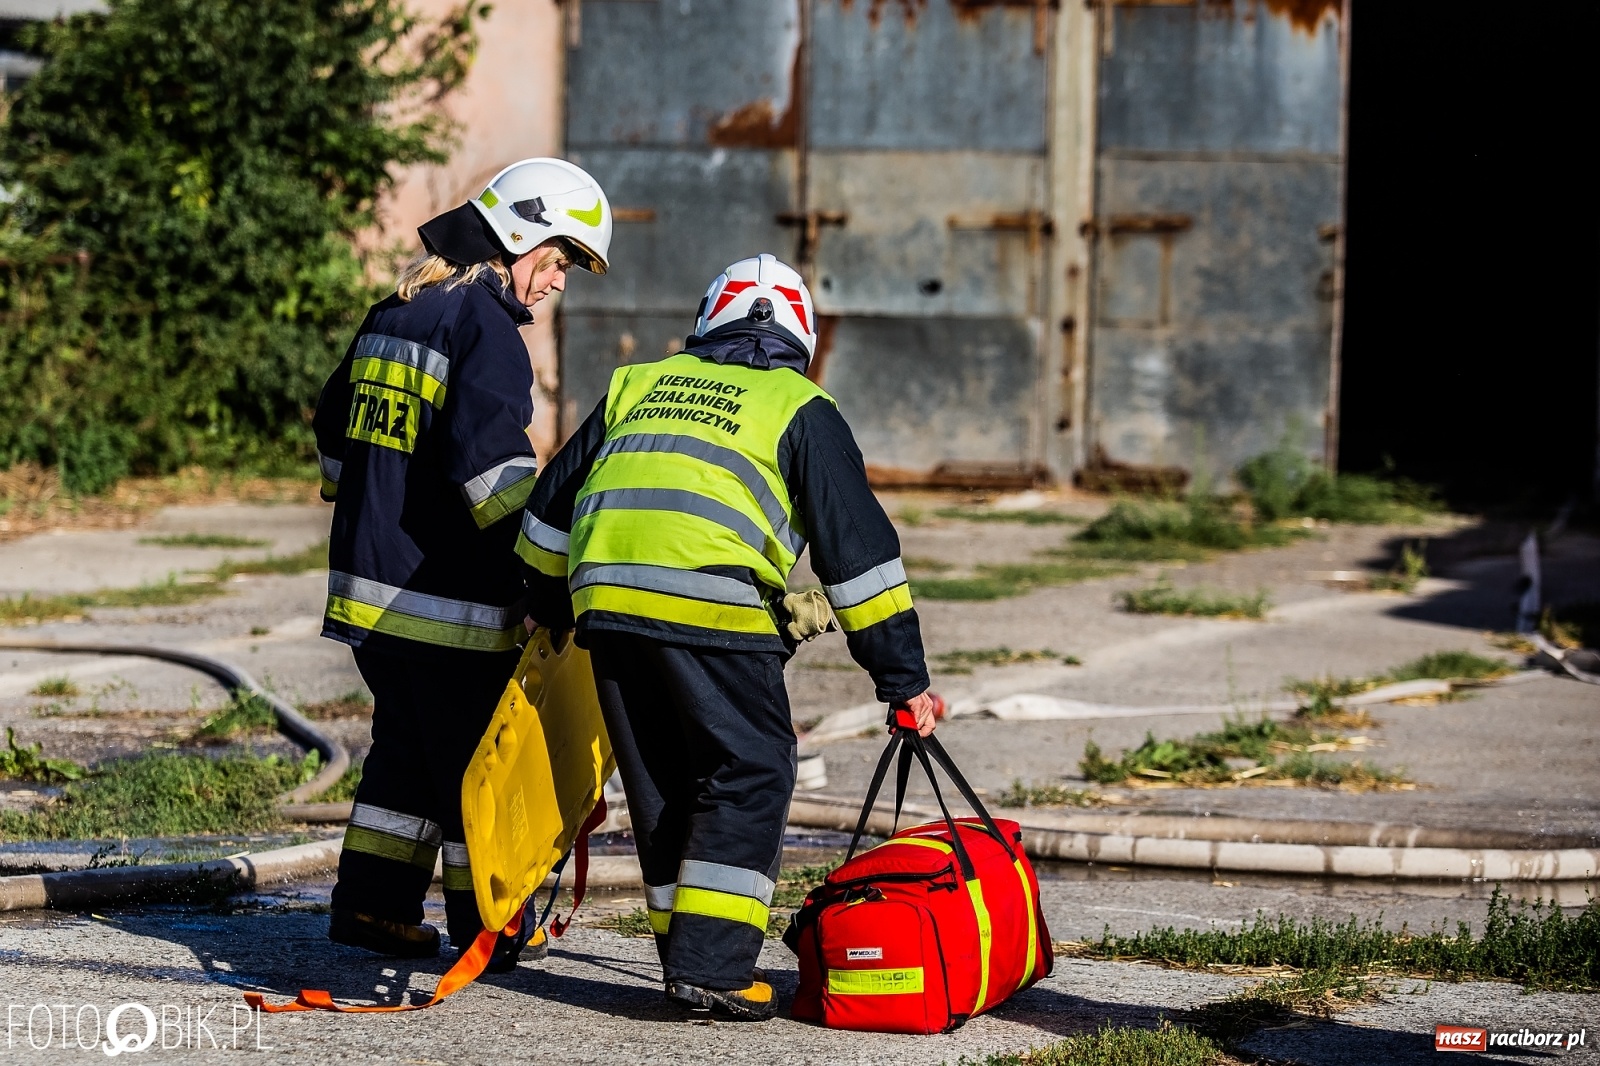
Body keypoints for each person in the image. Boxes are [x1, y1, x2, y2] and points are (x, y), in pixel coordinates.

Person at [517, 253, 938, 1020]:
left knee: (662, 783)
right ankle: (711, 969)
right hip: (714, 607)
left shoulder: (636, 384)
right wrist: (903, 682)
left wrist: (548, 605)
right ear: (801, 338)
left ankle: (688, 954)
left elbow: (547, 512)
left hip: (606, 603)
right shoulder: (800, 406)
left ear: (710, 320)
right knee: (749, 770)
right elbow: (861, 561)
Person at [311, 158, 612, 970]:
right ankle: (489, 923)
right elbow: (497, 486)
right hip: (446, 601)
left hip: (370, 600)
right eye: (555, 261)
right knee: (473, 767)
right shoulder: (482, 328)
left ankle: (373, 909)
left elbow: (336, 444)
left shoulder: (394, 311)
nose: (555, 285)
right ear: (516, 238)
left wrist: (379, 501)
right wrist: (551, 576)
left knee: (406, 752)